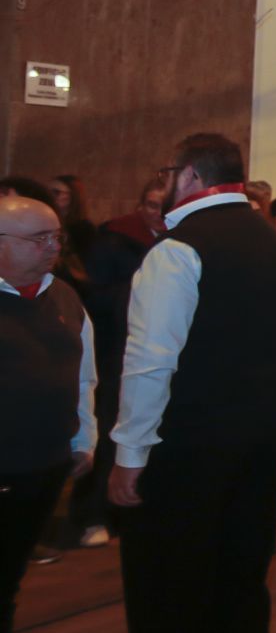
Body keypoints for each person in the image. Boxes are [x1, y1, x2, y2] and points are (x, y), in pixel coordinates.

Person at [89, 134, 276, 633]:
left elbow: (150, 361)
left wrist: (128, 454)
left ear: (185, 175)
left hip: (186, 450)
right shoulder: (273, 242)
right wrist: (267, 412)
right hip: (260, 439)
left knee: (167, 594)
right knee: (241, 582)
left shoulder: (177, 250)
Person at [0, 195, 96, 633]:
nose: (53, 248)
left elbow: (84, 375)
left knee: (7, 587)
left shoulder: (63, 297)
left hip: (41, 468)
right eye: (38, 239)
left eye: (56, 237)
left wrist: (84, 437)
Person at [69, 178, 167, 550]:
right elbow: (91, 297)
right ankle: (94, 513)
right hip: (116, 354)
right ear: (141, 207)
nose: (158, 213)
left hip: (156, 354)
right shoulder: (114, 240)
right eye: (152, 205)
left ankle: (133, 511)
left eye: (164, 205)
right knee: (111, 431)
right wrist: (139, 294)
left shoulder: (177, 244)